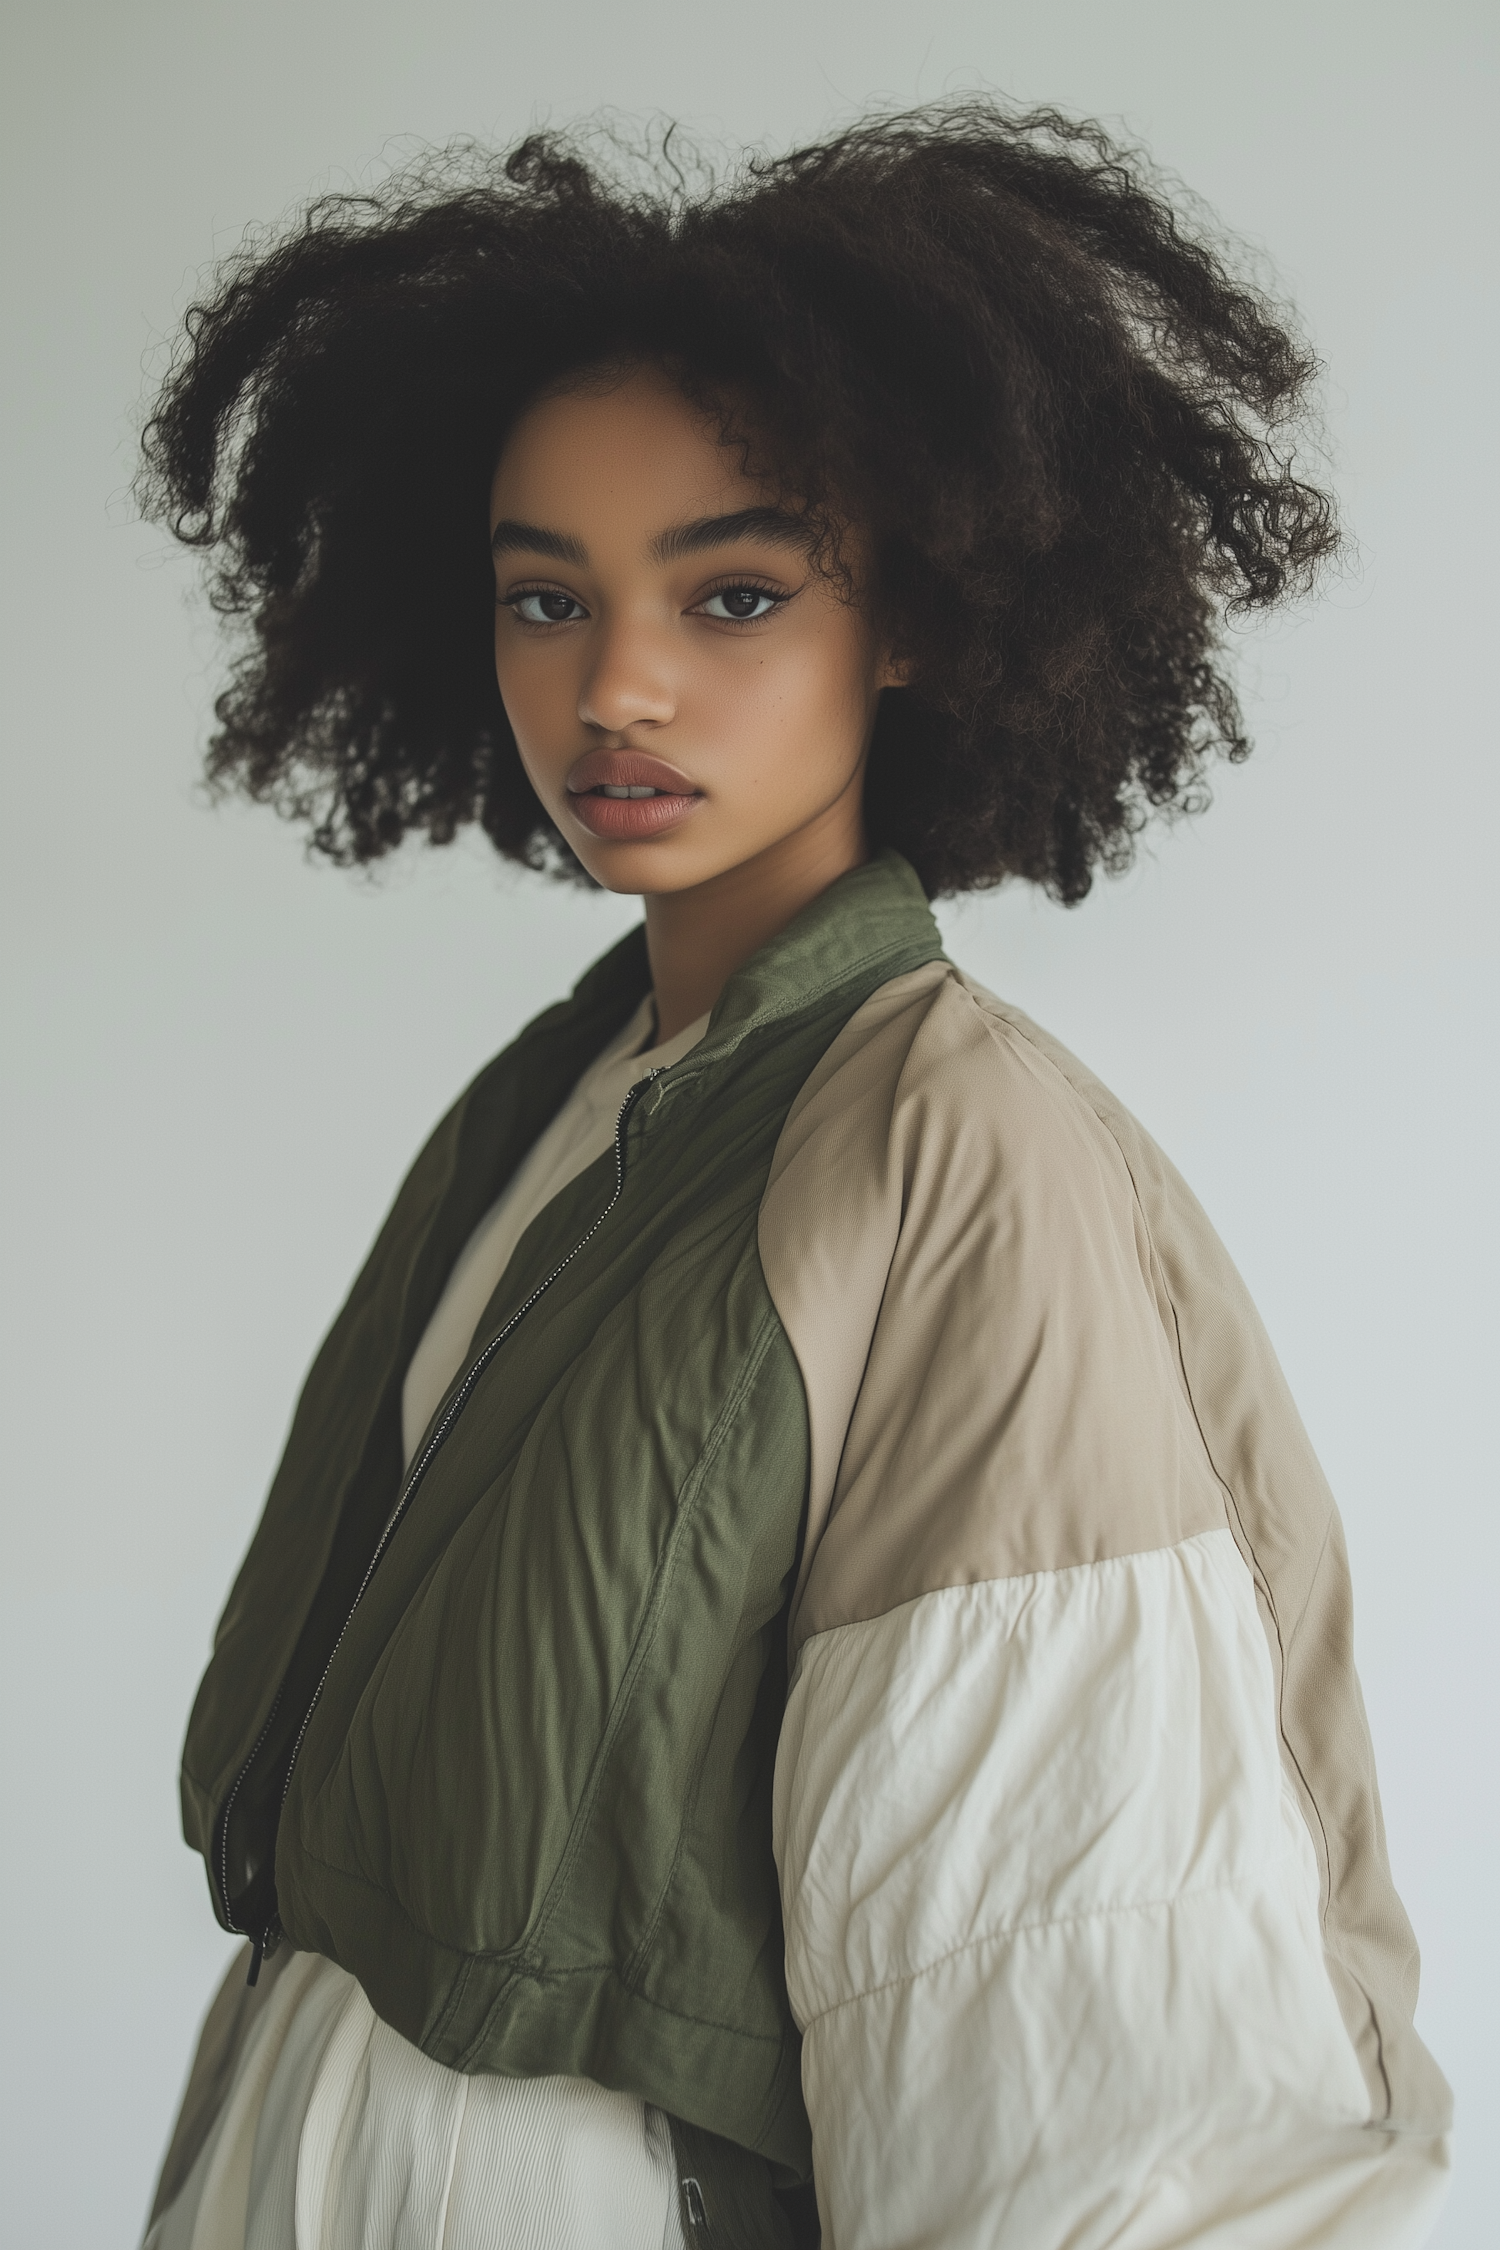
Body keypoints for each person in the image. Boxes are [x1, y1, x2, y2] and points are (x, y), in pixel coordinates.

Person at [137, 104, 1451, 2250]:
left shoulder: (958, 1154)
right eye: (543, 598)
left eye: (731, 590)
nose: (616, 687)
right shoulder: (548, 1108)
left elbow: (1084, 2010)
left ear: (913, 618)